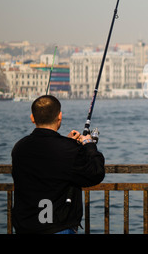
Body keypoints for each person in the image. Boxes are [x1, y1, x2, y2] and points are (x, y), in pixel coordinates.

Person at [11, 95, 105, 234]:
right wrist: (88, 144)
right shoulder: (68, 149)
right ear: (59, 116)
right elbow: (96, 173)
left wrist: (67, 143)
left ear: (32, 118)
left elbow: (46, 162)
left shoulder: (19, 147)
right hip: (58, 226)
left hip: (26, 226)